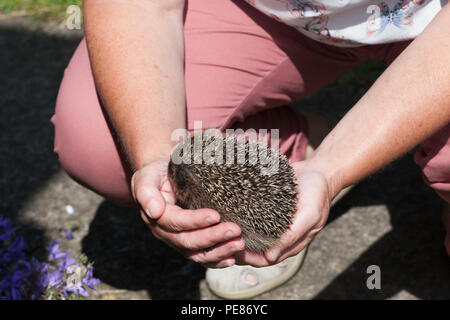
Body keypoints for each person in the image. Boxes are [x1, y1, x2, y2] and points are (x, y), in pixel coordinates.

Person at [51, 0, 450, 299]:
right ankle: (297, 152)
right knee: (105, 143)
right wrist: (153, 151)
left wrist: (336, 168)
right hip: (277, 15)